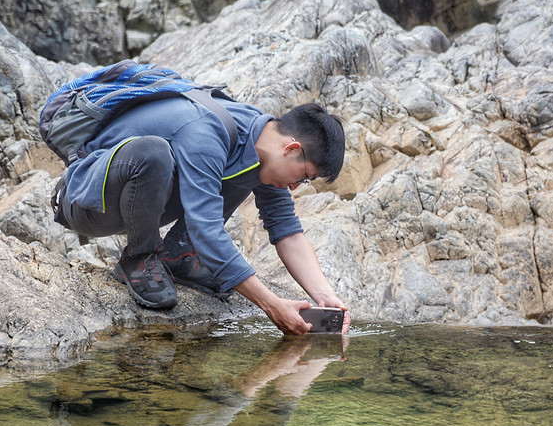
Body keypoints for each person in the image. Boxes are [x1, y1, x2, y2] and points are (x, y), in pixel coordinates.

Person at [56, 94, 351, 335]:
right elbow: (206, 229)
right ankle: (139, 258)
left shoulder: (258, 142)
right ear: (291, 149)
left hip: (140, 198)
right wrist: (271, 304)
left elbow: (287, 229)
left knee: (246, 171)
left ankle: (178, 254)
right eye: (303, 176)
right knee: (154, 153)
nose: (296, 186)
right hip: (88, 201)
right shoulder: (207, 131)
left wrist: (325, 296)